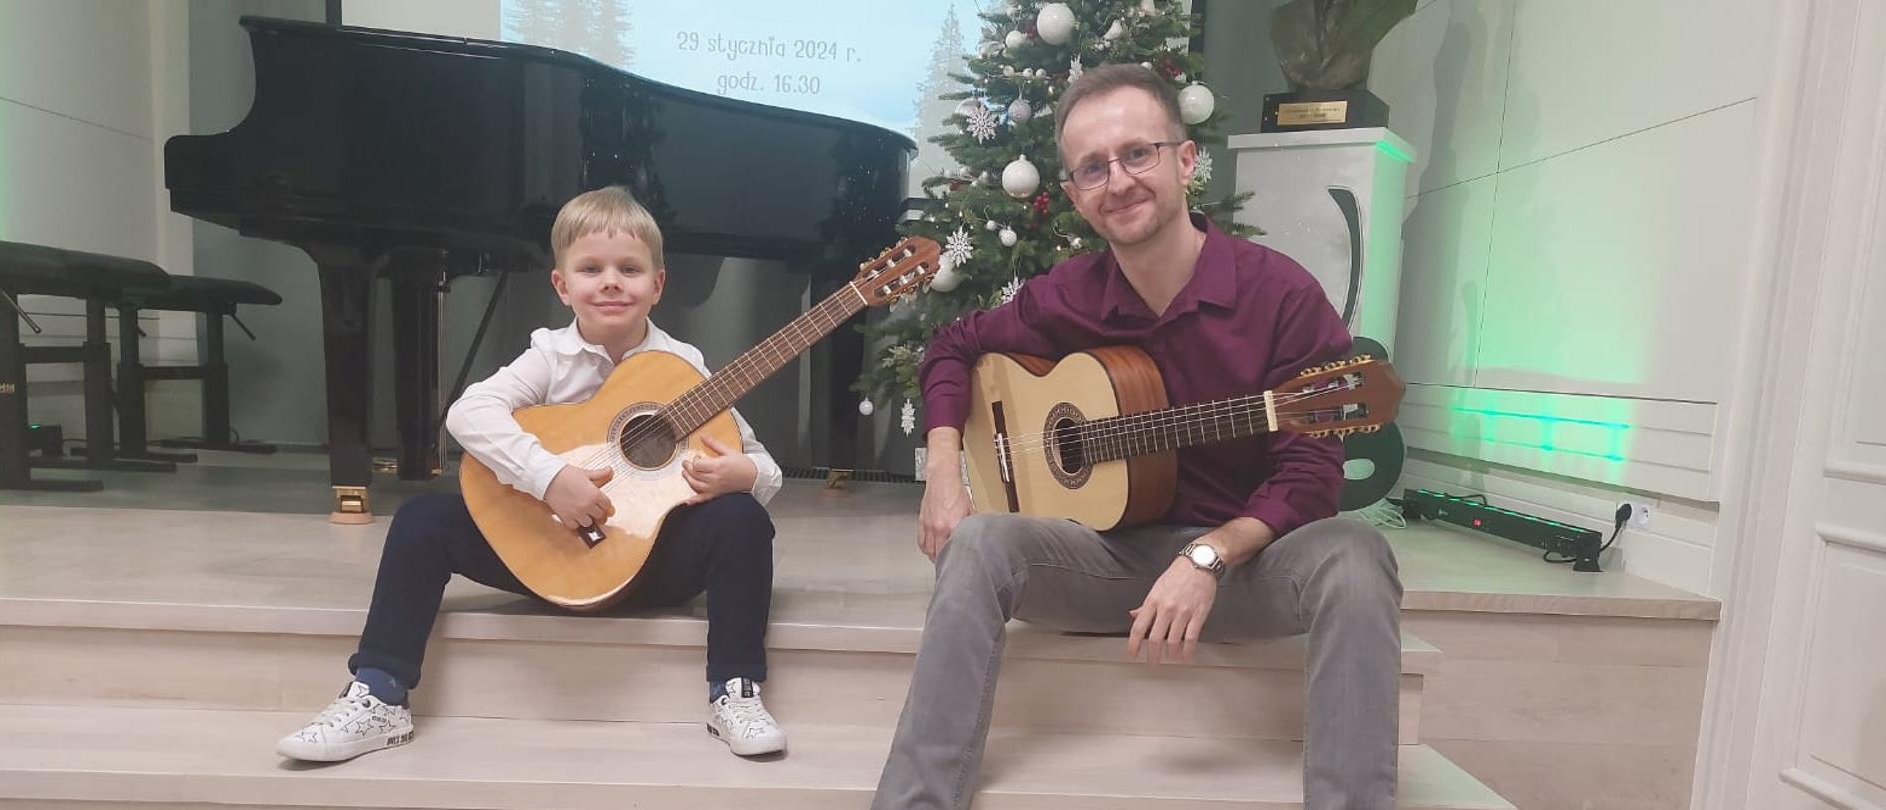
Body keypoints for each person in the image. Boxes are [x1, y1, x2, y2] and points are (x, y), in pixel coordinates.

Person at [871, 64, 1403, 809]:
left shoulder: (1280, 296)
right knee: (980, 544)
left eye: (1138, 153)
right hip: (1107, 563)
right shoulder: (1069, 294)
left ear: (1185, 160)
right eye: (1094, 167)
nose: (1117, 180)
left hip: (1246, 570)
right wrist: (945, 474)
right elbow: (953, 345)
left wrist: (1208, 554)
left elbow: (1311, 476)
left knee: (1356, 556)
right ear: (1078, 194)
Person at [277, 186, 788, 762]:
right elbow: (469, 413)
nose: (612, 281)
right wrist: (549, 478)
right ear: (562, 286)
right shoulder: (549, 355)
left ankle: (735, 690)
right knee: (422, 519)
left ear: (658, 284)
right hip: (543, 550)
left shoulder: (685, 369)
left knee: (743, 519)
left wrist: (744, 475)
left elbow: (761, 462)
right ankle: (378, 694)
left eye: (630, 268)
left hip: (652, 561)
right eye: (591, 269)